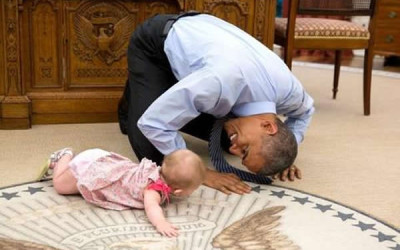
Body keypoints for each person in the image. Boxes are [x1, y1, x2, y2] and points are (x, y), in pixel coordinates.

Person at [118, 13, 315, 195]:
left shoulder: (291, 92)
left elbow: (305, 112)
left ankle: (159, 92)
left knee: (224, 137)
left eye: (241, 155)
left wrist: (284, 154)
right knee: (153, 153)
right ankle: (140, 89)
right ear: (268, 126)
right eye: (244, 150)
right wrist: (201, 172)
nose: (233, 152)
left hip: (205, 57)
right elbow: (153, 123)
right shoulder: (219, 83)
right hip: (155, 46)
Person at [37, 147, 206, 237]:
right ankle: (64, 156)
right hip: (91, 169)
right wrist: (160, 223)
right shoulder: (153, 190)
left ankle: (70, 160)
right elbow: (152, 208)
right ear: (177, 190)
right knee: (60, 185)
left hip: (105, 162)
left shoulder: (156, 171)